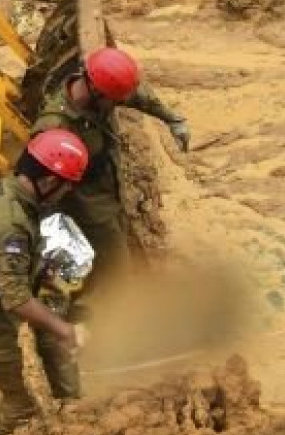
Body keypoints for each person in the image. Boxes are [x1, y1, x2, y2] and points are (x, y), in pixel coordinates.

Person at [0, 129, 92, 435]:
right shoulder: (11, 225)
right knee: (24, 401)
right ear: (48, 180)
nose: (66, 193)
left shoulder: (2, 190)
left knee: (53, 371)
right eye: (65, 185)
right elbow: (15, 298)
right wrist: (64, 330)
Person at [32, 46, 188, 283]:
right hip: (87, 207)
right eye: (114, 100)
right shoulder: (54, 128)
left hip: (110, 189)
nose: (119, 104)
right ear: (95, 90)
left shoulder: (98, 94)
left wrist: (173, 119)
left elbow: (136, 94)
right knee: (115, 269)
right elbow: (36, 185)